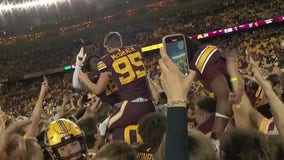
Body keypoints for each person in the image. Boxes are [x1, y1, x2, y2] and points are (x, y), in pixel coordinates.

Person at [79, 32, 155, 142]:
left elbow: (98, 90)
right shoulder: (137, 49)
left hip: (131, 105)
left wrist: (84, 78)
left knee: (103, 127)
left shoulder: (106, 61)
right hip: (149, 103)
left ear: (108, 47)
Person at [186, 38, 244, 141]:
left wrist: (215, 139)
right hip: (235, 109)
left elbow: (225, 96)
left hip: (240, 110)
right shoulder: (201, 56)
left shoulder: (201, 56)